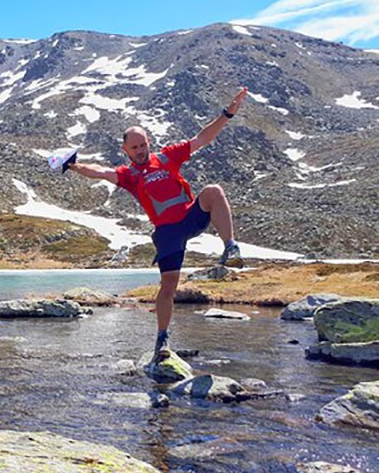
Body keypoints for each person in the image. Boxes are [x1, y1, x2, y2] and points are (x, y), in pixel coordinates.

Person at [51, 87, 248, 357]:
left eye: (143, 145)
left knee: (213, 191)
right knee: (168, 287)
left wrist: (227, 114)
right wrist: (75, 166)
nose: (140, 150)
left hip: (190, 217)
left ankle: (230, 248)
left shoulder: (168, 156)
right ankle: (162, 340)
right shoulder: (128, 175)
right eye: (134, 147)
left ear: (148, 142)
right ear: (125, 150)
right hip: (167, 233)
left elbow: (202, 138)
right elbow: (100, 172)